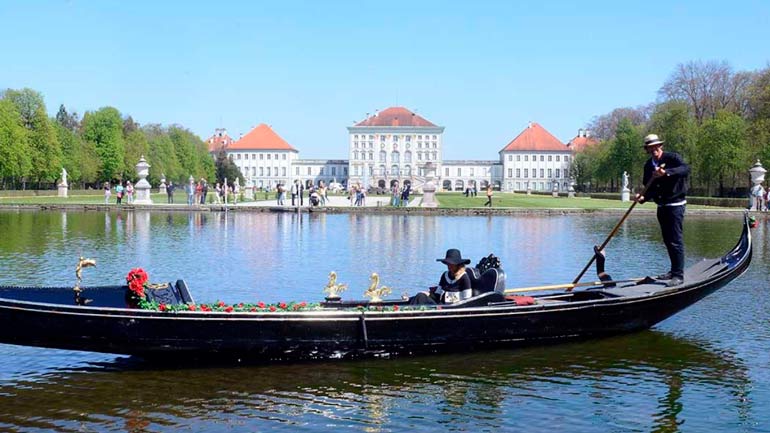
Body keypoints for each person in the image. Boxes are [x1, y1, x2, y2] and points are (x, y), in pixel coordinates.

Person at [636, 134, 690, 287]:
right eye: (650, 148)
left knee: (675, 240)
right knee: (667, 240)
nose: (654, 151)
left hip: (676, 205)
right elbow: (650, 188)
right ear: (647, 150)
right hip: (661, 206)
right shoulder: (648, 166)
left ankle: (678, 275)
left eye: (656, 147)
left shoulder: (672, 158)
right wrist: (643, 198)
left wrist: (666, 173)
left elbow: (685, 169)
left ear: (661, 146)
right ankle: (673, 271)